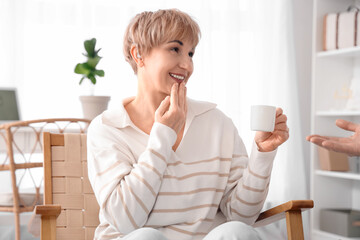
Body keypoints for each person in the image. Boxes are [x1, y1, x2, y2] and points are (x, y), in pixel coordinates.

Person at [87, 9, 289, 240]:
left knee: (237, 232)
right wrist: (163, 137)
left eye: (191, 53)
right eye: (175, 49)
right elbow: (125, 221)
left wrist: (262, 154)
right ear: (138, 54)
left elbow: (241, 217)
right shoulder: (107, 128)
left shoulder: (216, 123)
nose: (187, 65)